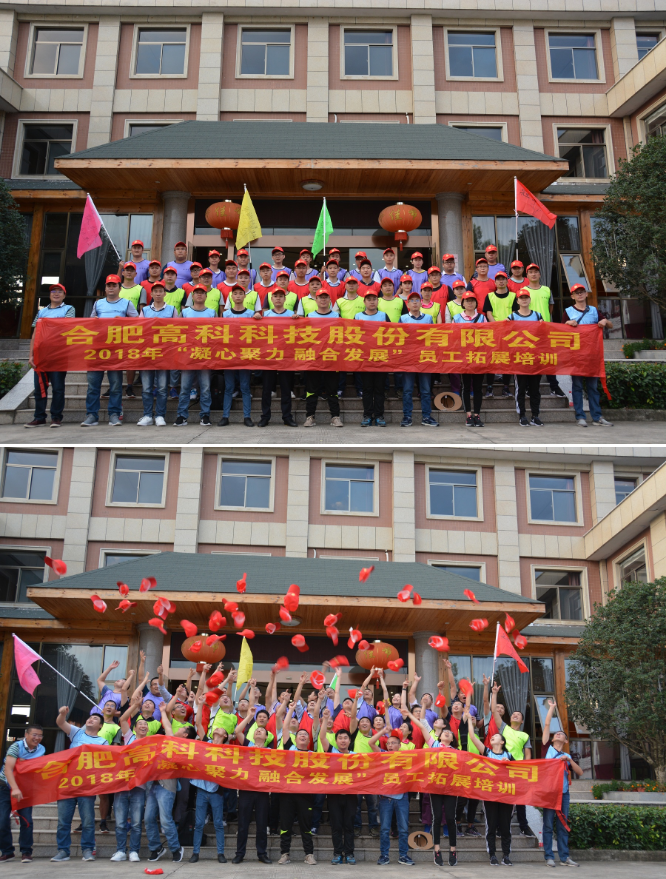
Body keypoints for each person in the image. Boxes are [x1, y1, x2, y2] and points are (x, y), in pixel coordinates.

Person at [51, 707, 109, 862]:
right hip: (67, 783)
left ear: (100, 726)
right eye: (90, 718)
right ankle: (63, 851)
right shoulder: (77, 732)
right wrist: (62, 714)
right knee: (63, 821)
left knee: (88, 821)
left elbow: (104, 763)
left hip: (87, 785)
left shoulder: (103, 742)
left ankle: (87, 850)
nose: (91, 719)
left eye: (95, 719)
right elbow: (60, 723)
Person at [81, 274, 138, 427]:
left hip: (116, 350)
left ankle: (114, 414)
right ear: (105, 288)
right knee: (93, 385)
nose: (111, 288)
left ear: (119, 288)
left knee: (116, 385)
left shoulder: (127, 303)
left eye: (114, 285)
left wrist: (124, 322)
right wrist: (93, 322)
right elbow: (90, 325)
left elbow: (138, 324)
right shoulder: (98, 303)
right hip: (97, 349)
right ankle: (91, 415)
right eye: (109, 285)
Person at [405, 711, 458, 866]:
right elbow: (422, 727)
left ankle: (453, 850)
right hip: (435, 787)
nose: (447, 733)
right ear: (439, 737)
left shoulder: (457, 752)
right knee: (437, 818)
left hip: (451, 789)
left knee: (450, 818)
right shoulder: (434, 744)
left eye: (450, 733)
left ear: (452, 739)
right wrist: (409, 714)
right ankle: (437, 850)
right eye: (445, 732)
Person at [465, 705, 515, 867]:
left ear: (502, 741)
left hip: (506, 795)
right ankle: (492, 854)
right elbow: (472, 737)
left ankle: (506, 855)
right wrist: (470, 721)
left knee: (506, 827)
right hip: (490, 795)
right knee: (491, 826)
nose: (492, 737)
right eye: (491, 737)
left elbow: (519, 774)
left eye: (496, 736)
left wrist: (510, 765)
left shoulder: (509, 755)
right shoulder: (487, 752)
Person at [488, 679, 535, 838]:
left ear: (522, 721)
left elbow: (527, 754)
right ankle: (499, 828)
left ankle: (524, 826)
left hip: (518, 768)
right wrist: (494, 694)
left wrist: (527, 770)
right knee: (502, 797)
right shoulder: (504, 728)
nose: (515, 715)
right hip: (502, 767)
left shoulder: (525, 735)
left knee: (520, 800)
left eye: (518, 715)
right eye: (513, 714)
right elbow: (494, 712)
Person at [231, 685, 272, 864]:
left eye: (261, 730)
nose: (258, 731)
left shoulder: (271, 752)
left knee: (262, 824)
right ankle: (239, 854)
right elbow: (237, 732)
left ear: (266, 736)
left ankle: (262, 854)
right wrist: (249, 716)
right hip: (246, 789)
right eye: (256, 730)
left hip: (262, 790)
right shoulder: (247, 745)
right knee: (243, 824)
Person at [563, 284, 614, 428]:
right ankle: (580, 416)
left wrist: (605, 321)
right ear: (572, 296)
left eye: (582, 292)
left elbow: (610, 325)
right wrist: (568, 323)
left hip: (592, 356)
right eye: (576, 293)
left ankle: (597, 417)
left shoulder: (594, 310)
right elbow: (560, 332)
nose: (579, 294)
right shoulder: (568, 311)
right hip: (576, 356)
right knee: (577, 386)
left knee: (593, 387)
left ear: (586, 294)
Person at [541, 698, 583, 868]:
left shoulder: (567, 756)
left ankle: (564, 857)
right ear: (552, 739)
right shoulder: (547, 748)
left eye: (562, 734)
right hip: (549, 793)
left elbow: (579, 772)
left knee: (563, 825)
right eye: (556, 734)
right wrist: (551, 708)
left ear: (566, 741)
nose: (558, 734)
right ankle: (549, 857)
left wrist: (569, 761)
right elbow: (546, 724)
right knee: (548, 825)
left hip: (563, 794)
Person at [25, 283, 74, 428]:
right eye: (53, 291)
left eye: (59, 291)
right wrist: (31, 355)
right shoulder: (41, 312)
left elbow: (66, 326)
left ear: (64, 295)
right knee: (40, 388)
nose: (56, 293)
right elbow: (35, 334)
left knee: (58, 388)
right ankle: (39, 417)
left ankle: (56, 417)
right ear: (50, 295)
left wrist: (48, 324)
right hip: (41, 356)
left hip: (59, 354)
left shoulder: (69, 309)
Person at [188, 692, 227, 864]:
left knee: (218, 823)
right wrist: (201, 705)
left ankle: (221, 853)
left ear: (225, 736)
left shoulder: (227, 751)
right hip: (202, 789)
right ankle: (195, 852)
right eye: (216, 727)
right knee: (198, 824)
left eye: (221, 729)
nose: (217, 729)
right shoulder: (205, 742)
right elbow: (198, 723)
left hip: (216, 791)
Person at [144, 703, 184, 863]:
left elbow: (168, 728)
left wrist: (162, 712)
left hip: (167, 786)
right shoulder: (154, 748)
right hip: (152, 785)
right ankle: (156, 848)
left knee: (166, 819)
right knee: (148, 818)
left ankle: (175, 848)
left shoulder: (174, 746)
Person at [110, 694, 148, 862]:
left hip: (140, 787)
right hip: (122, 785)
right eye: (140, 724)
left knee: (136, 822)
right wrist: (135, 706)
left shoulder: (151, 742)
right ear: (135, 728)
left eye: (145, 724)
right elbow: (123, 719)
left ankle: (134, 851)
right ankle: (120, 851)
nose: (143, 726)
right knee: (120, 822)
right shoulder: (129, 737)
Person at [277, 704, 317, 865]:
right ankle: (284, 854)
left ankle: (309, 854)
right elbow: (285, 728)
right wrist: (291, 709)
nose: (302, 736)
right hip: (287, 793)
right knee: (285, 825)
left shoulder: (313, 755)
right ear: (295, 738)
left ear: (308, 740)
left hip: (305, 795)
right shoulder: (290, 748)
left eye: (305, 735)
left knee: (306, 826)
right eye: (300, 734)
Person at [0, 724, 45, 863]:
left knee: (27, 821)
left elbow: (36, 768)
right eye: (34, 735)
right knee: (2, 821)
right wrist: (14, 788)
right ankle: (7, 852)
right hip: (5, 787)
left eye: (40, 735)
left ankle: (26, 851)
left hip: (26, 788)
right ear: (26, 735)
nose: (37, 738)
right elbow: (8, 769)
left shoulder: (41, 749)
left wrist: (22, 762)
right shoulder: (16, 747)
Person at [318, 708, 358, 865]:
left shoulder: (355, 756)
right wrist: (325, 719)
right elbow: (322, 737)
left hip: (351, 795)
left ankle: (349, 853)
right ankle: (337, 853)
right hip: (334, 795)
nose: (342, 740)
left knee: (349, 826)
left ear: (349, 741)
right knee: (336, 826)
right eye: (340, 738)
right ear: (336, 741)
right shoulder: (332, 751)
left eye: (345, 738)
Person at [521, 263, 566, 398]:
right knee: (530, 359)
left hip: (546, 329)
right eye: (531, 272)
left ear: (540, 274)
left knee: (548, 359)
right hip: (529, 330)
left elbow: (550, 307)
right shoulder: (523, 290)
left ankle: (554, 387)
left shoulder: (546, 290)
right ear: (527, 275)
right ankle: (528, 387)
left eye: (536, 272)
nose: (533, 274)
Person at [136, 282, 177, 426]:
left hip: (164, 354)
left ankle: (160, 415)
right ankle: (147, 415)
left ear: (165, 293)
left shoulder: (172, 310)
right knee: (147, 388)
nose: (158, 294)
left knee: (162, 388)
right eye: (155, 291)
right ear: (151, 294)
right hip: (147, 353)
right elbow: (139, 330)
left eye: (160, 291)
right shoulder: (145, 310)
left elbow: (177, 330)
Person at [175, 284, 217, 427]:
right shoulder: (185, 312)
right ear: (192, 296)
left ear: (206, 296)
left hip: (205, 355)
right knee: (185, 388)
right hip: (188, 356)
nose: (199, 295)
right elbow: (178, 332)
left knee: (205, 388)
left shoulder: (212, 312)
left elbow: (216, 333)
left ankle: (205, 415)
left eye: (202, 292)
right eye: (196, 292)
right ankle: (181, 416)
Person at [302, 290, 343, 428]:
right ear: (316, 300)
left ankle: (335, 417)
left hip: (331, 357)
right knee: (311, 389)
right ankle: (310, 416)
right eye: (320, 297)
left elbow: (341, 336)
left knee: (332, 389)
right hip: (313, 358)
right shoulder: (309, 316)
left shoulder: (336, 316)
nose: (323, 300)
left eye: (326, 297)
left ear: (330, 300)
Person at [219, 285, 259, 427]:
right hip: (229, 355)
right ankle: (225, 416)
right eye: (235, 293)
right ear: (231, 296)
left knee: (245, 387)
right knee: (229, 387)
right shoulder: (225, 315)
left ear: (244, 296)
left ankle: (247, 416)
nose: (237, 296)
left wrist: (258, 318)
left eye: (240, 293)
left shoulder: (251, 314)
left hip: (245, 355)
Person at [259, 288, 297, 427]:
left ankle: (287, 417)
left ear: (285, 299)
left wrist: (297, 320)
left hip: (286, 356)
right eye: (275, 296)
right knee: (266, 389)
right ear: (271, 299)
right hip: (269, 356)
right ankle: (265, 417)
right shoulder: (265, 315)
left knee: (286, 389)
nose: (278, 298)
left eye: (281, 296)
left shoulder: (292, 315)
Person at [400, 291, 438, 428]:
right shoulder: (403, 318)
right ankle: (407, 416)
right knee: (407, 390)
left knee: (426, 390)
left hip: (424, 358)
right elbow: (400, 338)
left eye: (417, 300)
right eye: (412, 300)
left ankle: (426, 416)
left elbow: (433, 337)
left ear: (421, 303)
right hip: (408, 358)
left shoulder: (428, 318)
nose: (415, 302)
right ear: (408, 304)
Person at [375, 730, 414, 866]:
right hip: (385, 798)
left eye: (393, 743)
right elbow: (371, 743)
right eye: (388, 743)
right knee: (385, 829)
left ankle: (403, 855)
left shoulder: (406, 757)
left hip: (402, 797)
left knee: (403, 829)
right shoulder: (383, 755)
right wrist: (383, 731)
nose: (390, 745)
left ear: (399, 745)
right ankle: (384, 855)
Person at [508, 290, 544, 426]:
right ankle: (522, 415)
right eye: (521, 298)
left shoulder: (537, 316)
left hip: (535, 358)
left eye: (526, 297)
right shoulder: (512, 317)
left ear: (530, 300)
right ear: (517, 301)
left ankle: (535, 415)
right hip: (519, 358)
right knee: (521, 388)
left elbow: (544, 335)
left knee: (535, 389)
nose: (524, 300)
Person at [355, 291, 389, 426]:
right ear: (364, 302)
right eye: (368, 299)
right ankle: (367, 415)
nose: (372, 301)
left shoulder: (383, 316)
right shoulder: (358, 316)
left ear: (377, 301)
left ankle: (379, 415)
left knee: (379, 389)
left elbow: (391, 335)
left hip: (381, 357)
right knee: (367, 389)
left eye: (374, 299)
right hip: (365, 358)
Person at [453, 291, 486, 428]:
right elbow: (453, 337)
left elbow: (488, 335)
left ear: (476, 303)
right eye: (467, 301)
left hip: (479, 356)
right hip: (464, 357)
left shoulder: (482, 317)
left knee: (478, 387)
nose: (470, 303)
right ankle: (468, 415)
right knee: (466, 387)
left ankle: (477, 415)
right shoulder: (457, 318)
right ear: (463, 303)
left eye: (472, 300)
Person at [483, 270, 515, 399]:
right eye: (498, 279)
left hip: (509, 332)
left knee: (507, 359)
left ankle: (506, 387)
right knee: (492, 359)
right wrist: (497, 326)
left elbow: (515, 312)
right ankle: (489, 387)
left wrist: (506, 325)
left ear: (507, 281)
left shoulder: (513, 296)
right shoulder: (490, 296)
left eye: (503, 279)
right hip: (494, 331)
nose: (501, 281)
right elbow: (488, 313)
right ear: (495, 282)